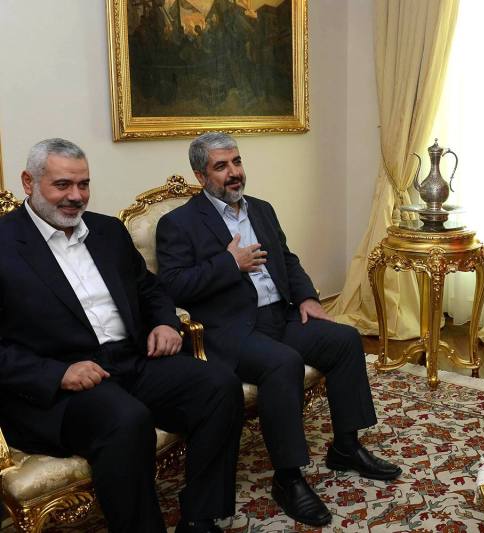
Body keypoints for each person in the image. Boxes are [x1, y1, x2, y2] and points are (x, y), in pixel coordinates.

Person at [155, 132, 401, 527]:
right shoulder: (178, 223)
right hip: (230, 331)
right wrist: (228, 264)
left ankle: (346, 446)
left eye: (236, 162)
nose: (234, 173)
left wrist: (307, 298)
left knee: (344, 339)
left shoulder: (262, 210)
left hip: (280, 317)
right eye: (221, 166)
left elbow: (287, 258)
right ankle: (288, 477)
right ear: (201, 176)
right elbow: (172, 286)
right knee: (283, 363)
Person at [0, 138, 244, 533]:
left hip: (129, 361)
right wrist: (56, 374)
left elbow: (149, 288)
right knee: (127, 420)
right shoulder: (5, 244)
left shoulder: (107, 230)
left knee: (218, 384)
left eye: (83, 185)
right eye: (62, 185)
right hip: (60, 387)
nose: (75, 197)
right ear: (29, 182)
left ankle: (201, 516)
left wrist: (165, 322)